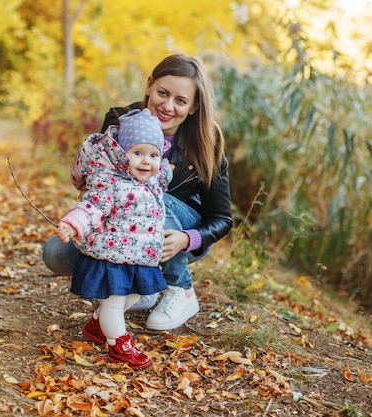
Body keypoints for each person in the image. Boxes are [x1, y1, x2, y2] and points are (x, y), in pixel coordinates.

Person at [44, 53, 233, 331]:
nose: (168, 106)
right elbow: (98, 178)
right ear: (149, 85)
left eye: (180, 100)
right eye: (163, 93)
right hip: (125, 226)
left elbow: (222, 218)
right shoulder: (120, 121)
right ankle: (140, 284)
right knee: (56, 254)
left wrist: (187, 239)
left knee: (148, 194)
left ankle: (181, 289)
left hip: (178, 233)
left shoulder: (208, 140)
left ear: (193, 106)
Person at [56, 108, 172, 369]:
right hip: (110, 256)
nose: (146, 161)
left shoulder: (152, 181)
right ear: (122, 155)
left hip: (138, 257)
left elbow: (165, 173)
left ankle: (98, 324)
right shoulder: (111, 182)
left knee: (132, 297)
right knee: (115, 301)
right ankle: (118, 343)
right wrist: (73, 225)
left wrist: (167, 169)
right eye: (138, 153)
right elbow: (92, 207)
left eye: (153, 155)